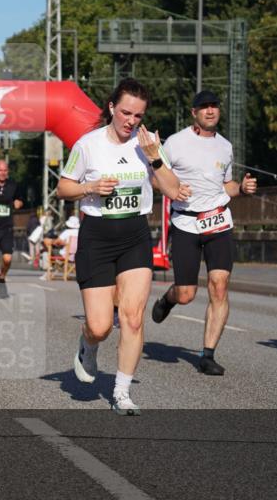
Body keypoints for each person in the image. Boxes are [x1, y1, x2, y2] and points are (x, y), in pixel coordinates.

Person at [61, 79, 181, 415]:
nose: (131, 120)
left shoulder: (148, 145)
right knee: (100, 326)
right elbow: (63, 188)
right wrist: (90, 187)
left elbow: (172, 190)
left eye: (138, 115)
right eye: (126, 112)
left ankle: (122, 392)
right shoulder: (88, 145)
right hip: (97, 237)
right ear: (112, 107)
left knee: (131, 317)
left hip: (134, 236)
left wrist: (155, 158)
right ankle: (87, 343)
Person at [150, 90, 257, 376]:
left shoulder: (225, 146)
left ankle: (207, 354)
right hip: (186, 224)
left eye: (214, 107)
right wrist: (172, 188)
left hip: (219, 223)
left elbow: (226, 186)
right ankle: (168, 300)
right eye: (204, 107)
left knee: (219, 285)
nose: (210, 111)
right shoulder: (175, 143)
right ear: (194, 112)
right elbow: (155, 176)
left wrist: (242, 189)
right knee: (186, 294)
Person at [0, 159, 24, 298]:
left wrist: (18, 203)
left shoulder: (13, 185)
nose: (3, 173)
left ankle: (2, 276)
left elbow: (19, 200)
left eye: (5, 170)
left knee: (7, 259)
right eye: (0, 170)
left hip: (7, 228)